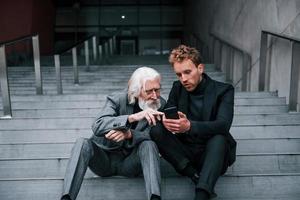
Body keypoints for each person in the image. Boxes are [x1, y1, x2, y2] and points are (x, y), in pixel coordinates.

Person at [61, 67, 166, 200]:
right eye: (149, 91)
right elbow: (98, 124)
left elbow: (157, 135)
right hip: (104, 159)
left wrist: (129, 134)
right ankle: (66, 197)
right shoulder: (117, 99)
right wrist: (130, 118)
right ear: (137, 91)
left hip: (131, 162)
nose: (155, 95)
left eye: (157, 89)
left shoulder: (159, 104)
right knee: (82, 143)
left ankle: (155, 197)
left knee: (149, 145)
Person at [150, 45, 237, 200]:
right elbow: (168, 113)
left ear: (200, 68)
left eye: (187, 72)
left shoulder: (224, 90)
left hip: (213, 154)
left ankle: (202, 194)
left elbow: (223, 125)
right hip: (186, 156)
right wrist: (168, 121)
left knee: (219, 137)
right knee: (156, 130)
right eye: (179, 74)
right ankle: (195, 175)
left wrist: (189, 126)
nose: (183, 79)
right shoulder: (177, 88)